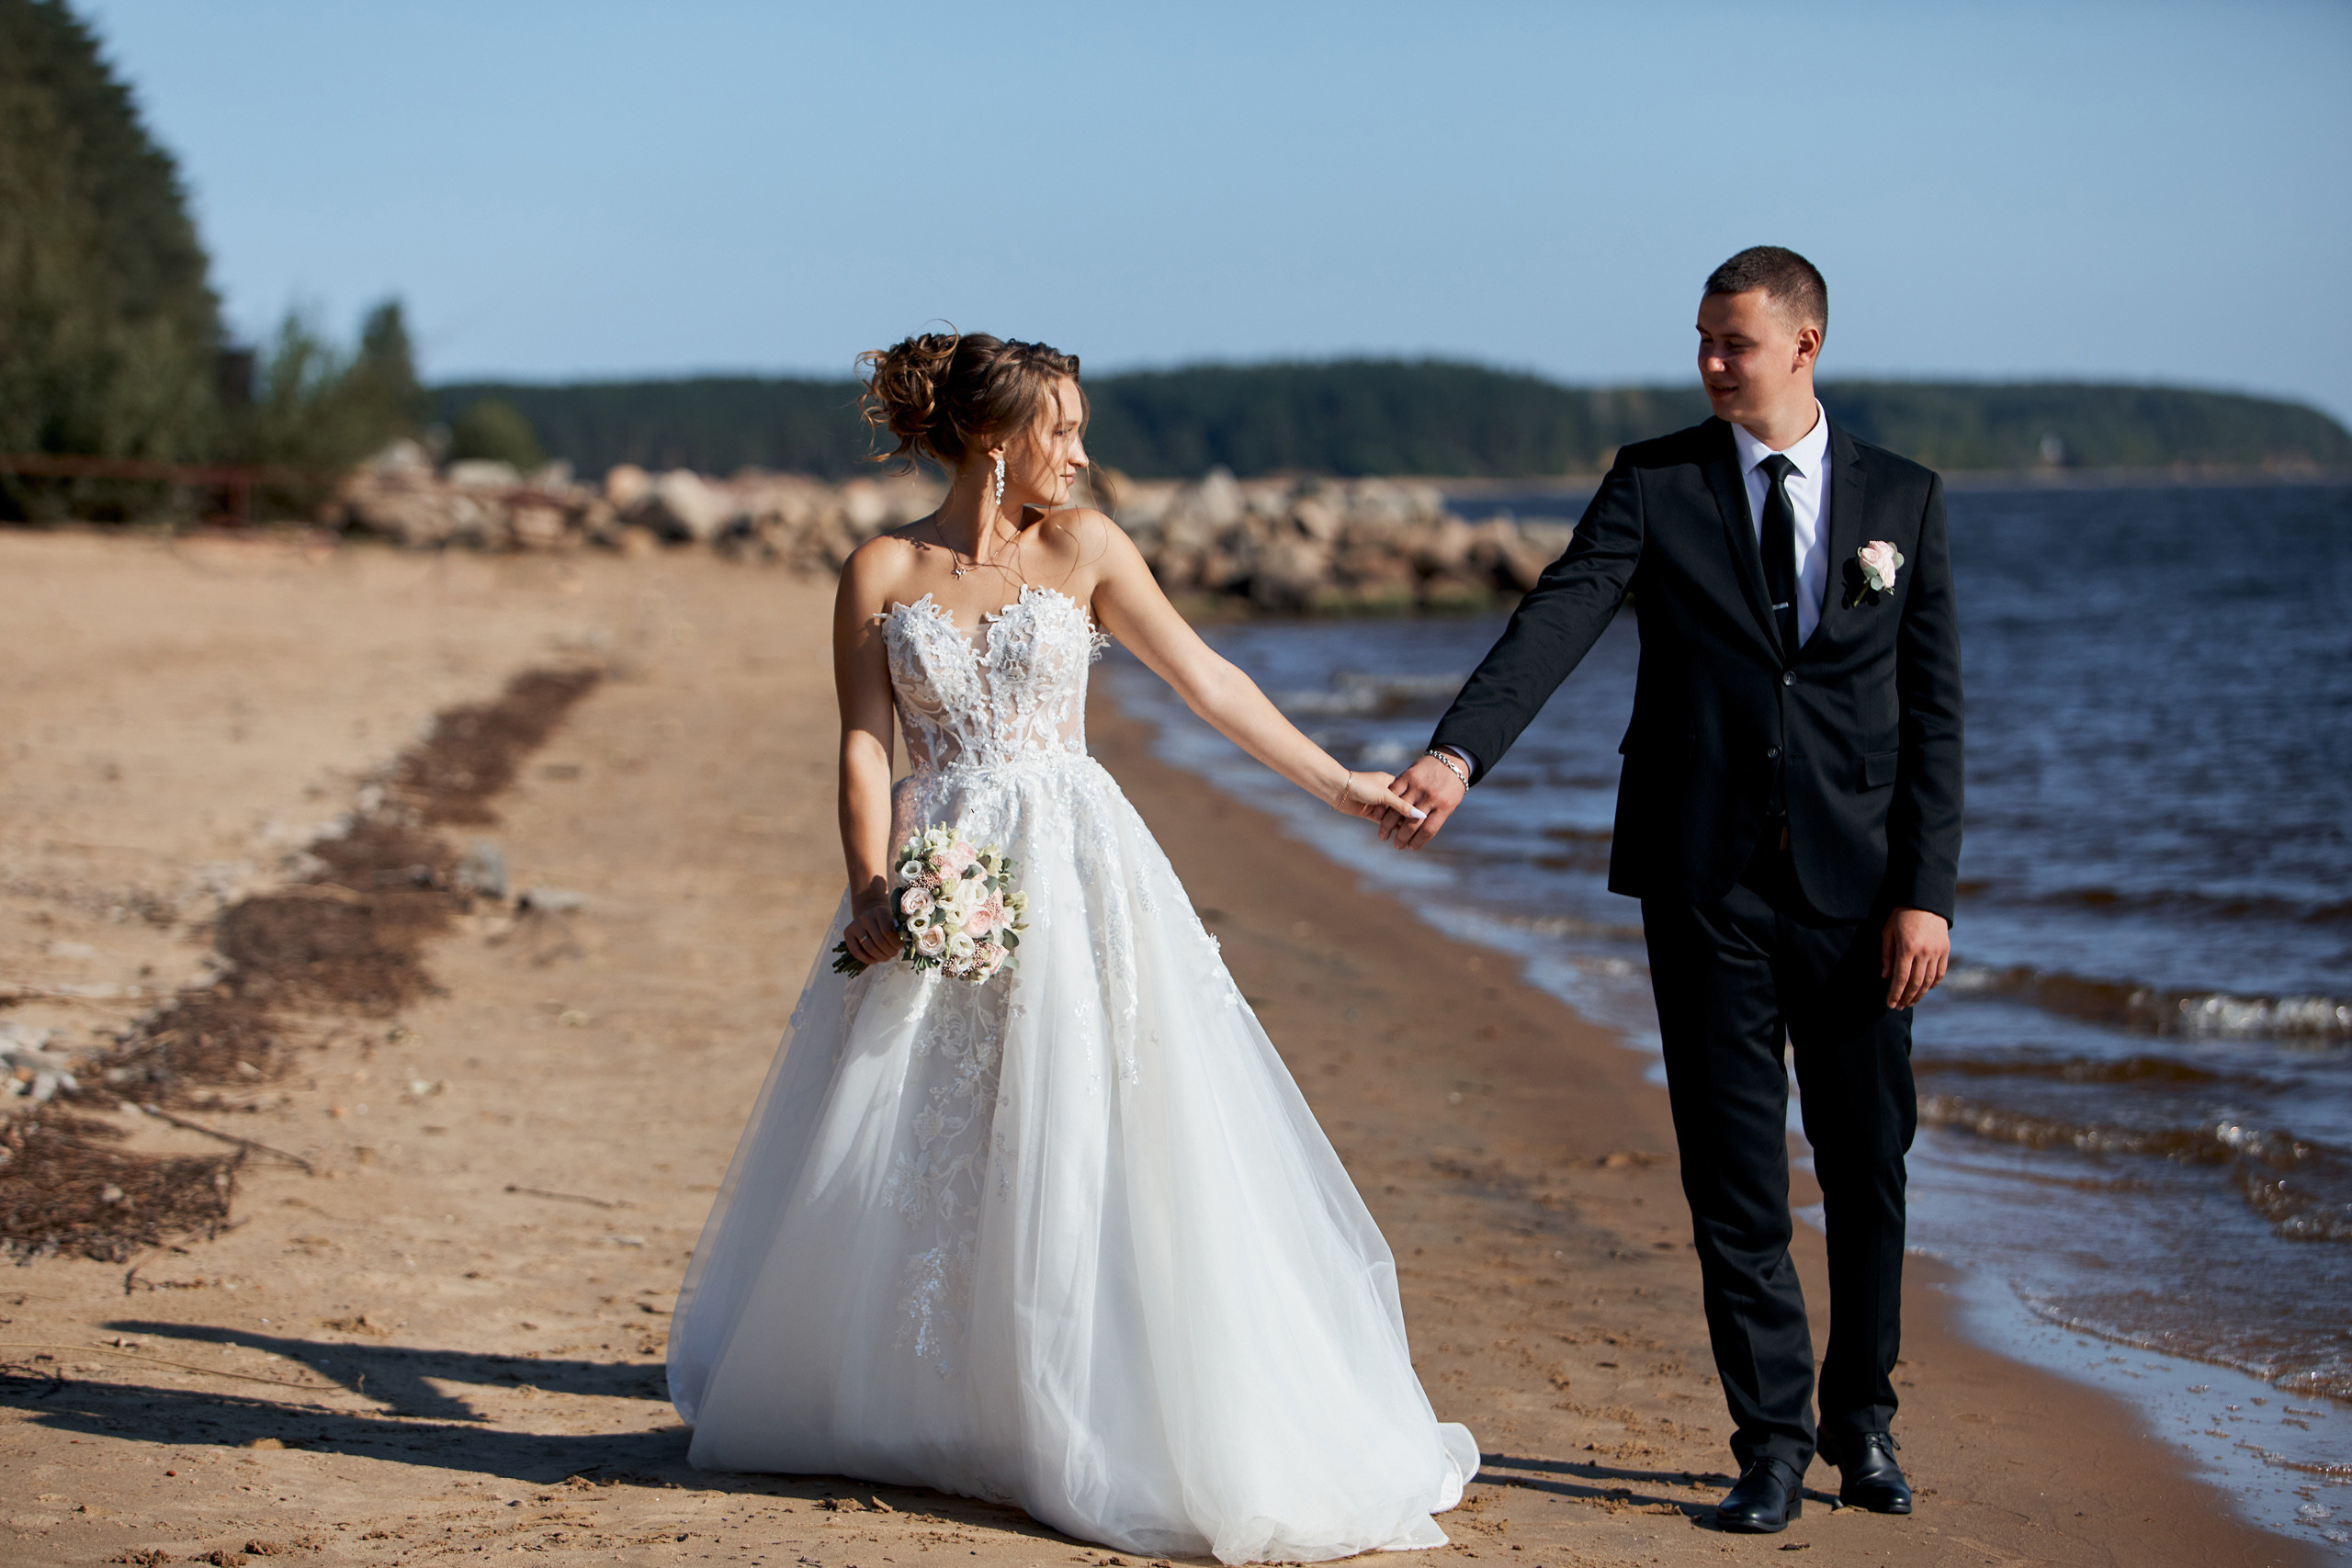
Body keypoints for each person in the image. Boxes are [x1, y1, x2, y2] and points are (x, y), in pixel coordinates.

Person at [665, 331, 1477, 1564]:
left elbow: (1203, 677)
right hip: (942, 871)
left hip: (1079, 866)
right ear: (998, 440)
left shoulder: (1088, 549)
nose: (1084, 453)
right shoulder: (880, 571)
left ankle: (1084, 1394)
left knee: (1096, 1116)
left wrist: (1334, 782)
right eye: (1066, 430)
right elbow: (865, 747)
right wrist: (869, 882)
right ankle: (940, 1400)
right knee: (932, 1128)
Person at [1379, 248, 1962, 1534]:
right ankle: (1768, 1444)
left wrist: (1927, 894)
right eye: (1701, 338)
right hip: (1700, 884)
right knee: (1735, 1178)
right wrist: (1457, 752)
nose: (1708, 363)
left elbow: (1933, 717)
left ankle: (1861, 1421)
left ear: (1805, 345)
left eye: (1732, 343)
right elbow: (1559, 616)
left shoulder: (1903, 502)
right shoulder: (1655, 482)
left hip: (1861, 897)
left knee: (1868, 1164)